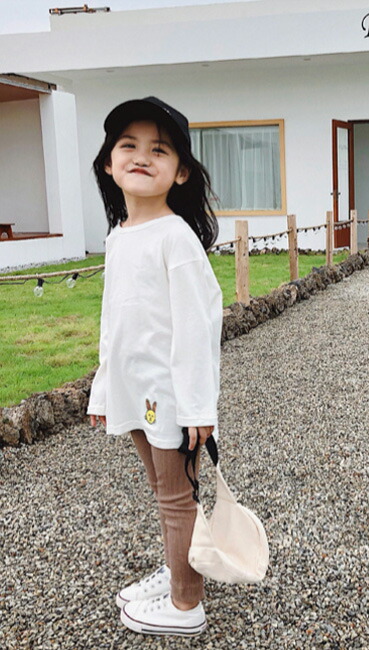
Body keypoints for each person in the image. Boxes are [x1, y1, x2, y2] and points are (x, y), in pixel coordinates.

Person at [87, 96, 222, 637]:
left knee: (175, 498)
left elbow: (197, 328)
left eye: (159, 150)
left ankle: (187, 605)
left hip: (169, 397)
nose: (142, 156)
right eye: (129, 146)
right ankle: (177, 570)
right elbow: (114, 323)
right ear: (108, 162)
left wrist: (197, 407)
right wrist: (103, 390)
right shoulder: (119, 237)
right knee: (165, 494)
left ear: (181, 171)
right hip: (136, 391)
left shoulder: (175, 238)